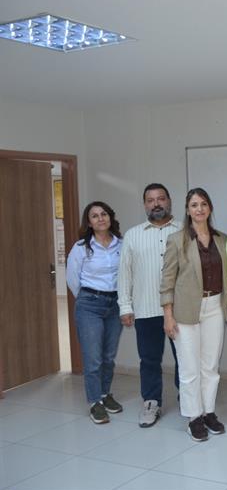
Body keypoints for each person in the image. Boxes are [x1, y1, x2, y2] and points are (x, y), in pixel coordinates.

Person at [160, 188, 227, 442]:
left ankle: (208, 412)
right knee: (189, 368)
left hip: (214, 307)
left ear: (210, 208)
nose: (199, 209)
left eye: (203, 204)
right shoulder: (176, 240)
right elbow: (167, 281)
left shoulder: (222, 239)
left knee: (210, 366)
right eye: (194, 205)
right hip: (185, 310)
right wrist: (168, 315)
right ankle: (193, 418)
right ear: (187, 210)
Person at [118, 183, 181, 428]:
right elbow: (125, 274)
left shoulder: (184, 230)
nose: (156, 204)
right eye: (151, 200)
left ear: (169, 201)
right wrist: (125, 306)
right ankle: (151, 402)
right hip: (146, 309)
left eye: (161, 198)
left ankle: (187, 399)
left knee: (185, 358)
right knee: (149, 359)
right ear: (145, 204)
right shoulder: (133, 235)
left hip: (180, 310)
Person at [66, 202, 125, 424]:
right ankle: (94, 402)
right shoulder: (81, 247)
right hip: (89, 305)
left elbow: (126, 274)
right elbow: (72, 279)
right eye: (94, 215)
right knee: (93, 358)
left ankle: (104, 394)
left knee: (108, 356)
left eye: (104, 214)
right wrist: (87, 298)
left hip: (115, 304)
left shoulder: (122, 244)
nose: (100, 218)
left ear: (110, 217)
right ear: (89, 222)